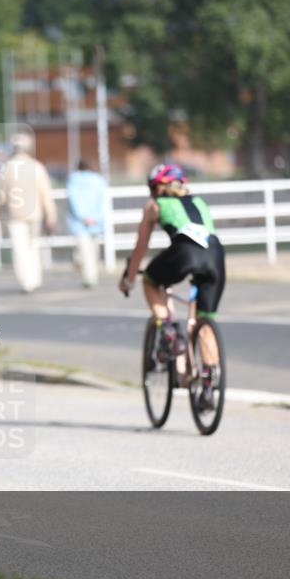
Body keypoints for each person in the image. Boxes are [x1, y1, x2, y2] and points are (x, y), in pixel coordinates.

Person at [118, 164, 226, 410]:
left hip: (184, 252)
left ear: (157, 187)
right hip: (216, 256)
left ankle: (168, 330)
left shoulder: (155, 205)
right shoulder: (199, 202)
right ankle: (208, 388)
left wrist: (129, 278)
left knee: (151, 280)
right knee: (205, 321)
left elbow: (140, 248)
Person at [0, 132, 57, 293]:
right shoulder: (37, 167)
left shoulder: (7, 168)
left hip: (14, 215)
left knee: (20, 249)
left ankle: (26, 282)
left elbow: (0, 196)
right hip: (35, 214)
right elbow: (45, 194)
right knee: (33, 246)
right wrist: (51, 215)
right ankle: (35, 278)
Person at [66, 160, 106, 288]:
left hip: (79, 222)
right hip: (96, 222)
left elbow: (73, 200)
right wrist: (96, 217)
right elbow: (103, 201)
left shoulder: (73, 180)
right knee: (93, 251)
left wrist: (83, 217)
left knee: (83, 251)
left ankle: (89, 277)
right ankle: (91, 276)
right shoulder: (99, 180)